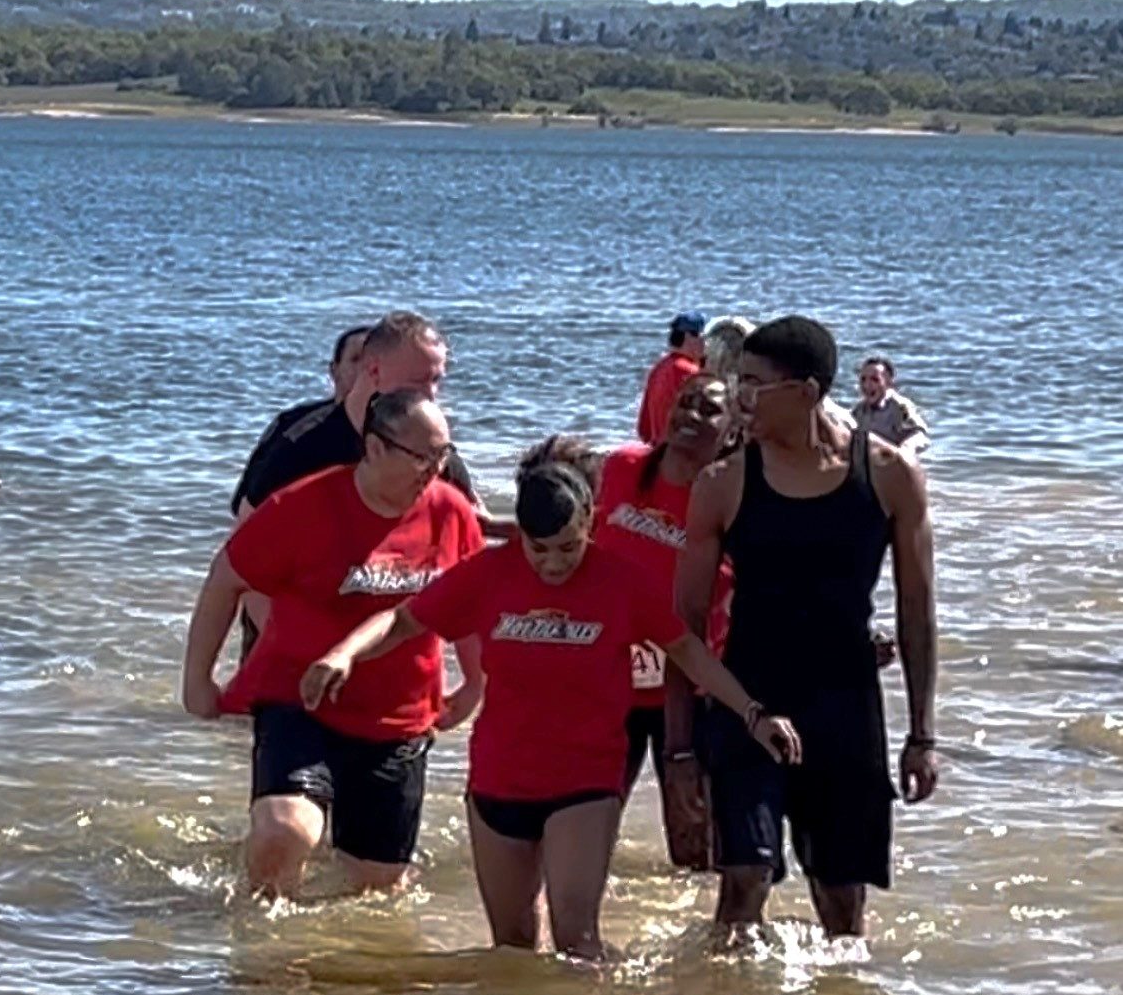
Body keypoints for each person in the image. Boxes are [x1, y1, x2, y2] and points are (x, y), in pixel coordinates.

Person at [303, 452, 800, 959]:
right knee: (512, 949)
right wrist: (342, 654)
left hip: (585, 781)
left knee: (576, 942)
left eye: (567, 546)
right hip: (499, 782)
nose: (553, 563)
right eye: (539, 549)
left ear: (590, 520)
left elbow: (689, 652)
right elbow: (403, 621)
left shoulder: (621, 581)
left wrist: (753, 714)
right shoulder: (490, 573)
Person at [677, 316, 938, 940]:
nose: (740, 400)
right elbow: (681, 626)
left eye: (755, 386)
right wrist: (681, 749)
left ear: (808, 389)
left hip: (845, 706)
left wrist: (923, 735)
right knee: (744, 884)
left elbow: (917, 612)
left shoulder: (889, 475)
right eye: (738, 382)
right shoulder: (724, 482)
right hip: (748, 702)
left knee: (842, 904)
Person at [182, 390, 486, 897]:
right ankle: (255, 946)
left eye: (443, 454)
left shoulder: (450, 512)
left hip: (398, 715)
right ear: (375, 447)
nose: (434, 469)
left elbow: (469, 601)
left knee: (374, 889)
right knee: (286, 830)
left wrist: (475, 682)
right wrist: (198, 681)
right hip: (300, 698)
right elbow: (225, 578)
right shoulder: (302, 506)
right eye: (421, 456)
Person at [593, 372, 736, 867]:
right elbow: (574, 538)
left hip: (691, 692)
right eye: (685, 403)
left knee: (696, 850)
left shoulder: (732, 501)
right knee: (586, 828)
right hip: (609, 682)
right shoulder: (620, 468)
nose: (692, 415)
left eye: (710, 409)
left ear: (734, 431)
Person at [237, 311, 481, 515]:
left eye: (436, 380)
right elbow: (240, 544)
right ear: (374, 370)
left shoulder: (435, 451)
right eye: (417, 381)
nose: (430, 395)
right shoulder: (299, 449)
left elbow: (474, 523)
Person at [228, 325, 371, 516]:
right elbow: (245, 502)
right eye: (355, 359)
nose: (364, 368)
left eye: (371, 361)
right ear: (334, 371)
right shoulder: (295, 427)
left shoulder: (391, 426)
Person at [636, 311, 707, 443]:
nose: (705, 343)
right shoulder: (691, 373)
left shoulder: (658, 369)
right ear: (689, 338)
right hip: (682, 454)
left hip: (658, 452)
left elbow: (643, 429)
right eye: (703, 337)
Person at [852, 355, 931, 455]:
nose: (867, 385)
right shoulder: (859, 410)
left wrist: (907, 447)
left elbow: (920, 435)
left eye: (875, 380)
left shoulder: (899, 407)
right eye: (863, 379)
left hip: (895, 463)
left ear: (889, 383)